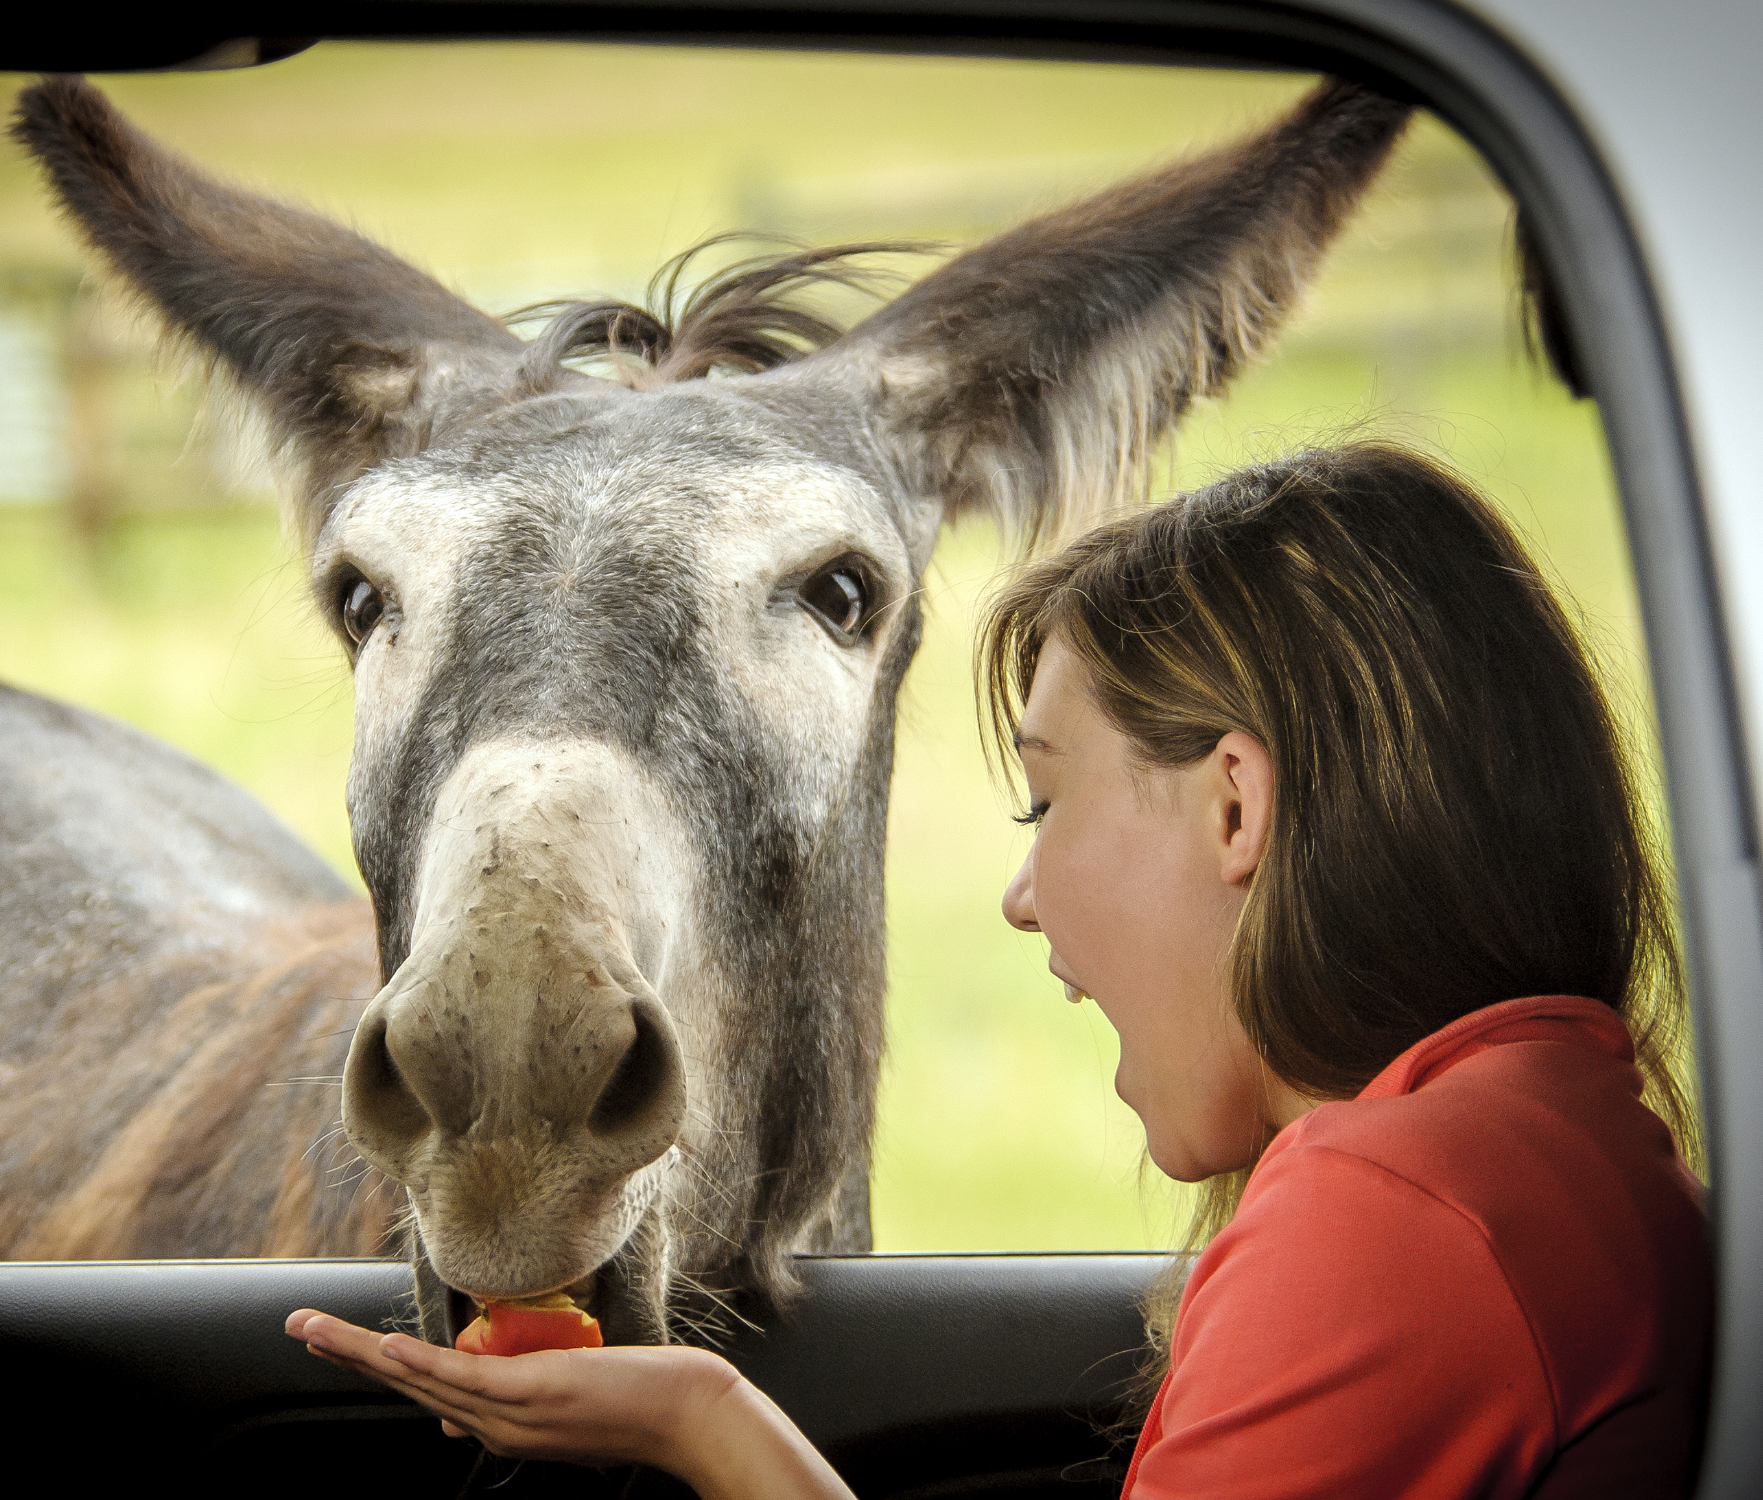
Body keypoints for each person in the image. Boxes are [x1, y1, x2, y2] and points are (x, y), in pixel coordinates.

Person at [286, 443, 1711, 1499]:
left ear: (1235, 810)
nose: (1024, 900)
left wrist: (705, 1432)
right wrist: (703, 1408)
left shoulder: (1390, 1231)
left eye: (1047, 803)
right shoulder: (1565, 1140)